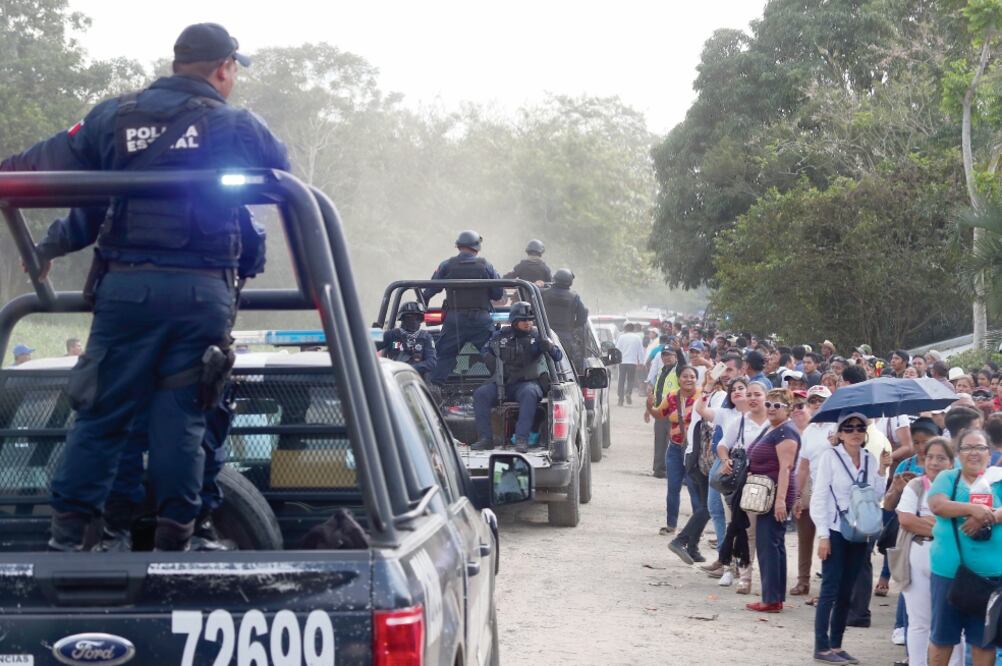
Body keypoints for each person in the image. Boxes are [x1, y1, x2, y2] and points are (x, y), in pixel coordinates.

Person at [1, 23, 288, 551]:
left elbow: (45, 164)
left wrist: (45, 241)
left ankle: (70, 538)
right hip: (202, 295)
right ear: (224, 69)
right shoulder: (235, 124)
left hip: (127, 290)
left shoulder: (114, 116)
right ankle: (177, 537)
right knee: (184, 418)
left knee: (102, 412)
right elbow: (281, 170)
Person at [811, 413, 890, 664]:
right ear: (840, 433)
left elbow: (875, 496)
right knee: (830, 589)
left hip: (859, 531)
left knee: (847, 590)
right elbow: (819, 496)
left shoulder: (868, 458)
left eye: (859, 427)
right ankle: (821, 646)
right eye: (849, 428)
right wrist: (823, 535)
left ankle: (836, 644)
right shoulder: (830, 457)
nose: (855, 432)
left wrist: (882, 469)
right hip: (835, 530)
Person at [927, 428, 1002, 666]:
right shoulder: (949, 478)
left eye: (980, 447)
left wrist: (988, 516)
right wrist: (972, 509)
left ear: (989, 453)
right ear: (958, 454)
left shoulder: (998, 480)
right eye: (967, 447)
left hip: (990, 578)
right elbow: (938, 505)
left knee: (984, 642)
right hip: (950, 574)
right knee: (942, 639)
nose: (974, 453)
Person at [894, 437, 962, 666]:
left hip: (951, 558)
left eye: (941, 458)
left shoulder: (959, 487)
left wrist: (926, 522)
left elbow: (964, 524)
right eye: (930, 457)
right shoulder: (915, 485)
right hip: (918, 554)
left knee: (952, 621)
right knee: (919, 622)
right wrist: (944, 526)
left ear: (951, 462)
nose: (934, 463)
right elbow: (906, 520)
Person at [472, 301, 561, 453]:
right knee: (481, 394)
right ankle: (485, 439)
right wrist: (490, 359)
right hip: (503, 383)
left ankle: (521, 439)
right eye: (523, 320)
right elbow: (485, 350)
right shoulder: (501, 336)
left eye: (530, 320)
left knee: (530, 393)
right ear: (514, 321)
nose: (528, 323)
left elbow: (558, 356)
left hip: (526, 383)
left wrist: (549, 347)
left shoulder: (538, 336)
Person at [744, 387, 800, 613]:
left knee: (769, 544)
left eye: (778, 405)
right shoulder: (774, 428)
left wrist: (780, 501)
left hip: (775, 494)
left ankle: (771, 599)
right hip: (767, 493)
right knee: (772, 544)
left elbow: (786, 468)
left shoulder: (786, 432)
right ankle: (774, 597)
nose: (771, 409)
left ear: (788, 409)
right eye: (769, 404)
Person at [424, 230, 503, 387]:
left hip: (454, 321)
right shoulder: (486, 266)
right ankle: (501, 386)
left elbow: (429, 291)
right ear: (477, 247)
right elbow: (497, 294)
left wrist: (422, 306)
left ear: (458, 246)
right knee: (493, 353)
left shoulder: (446, 265)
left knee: (444, 356)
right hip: (481, 321)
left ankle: (433, 391)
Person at [791, 384, 834, 598]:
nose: (817, 404)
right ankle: (803, 581)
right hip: (814, 488)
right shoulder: (809, 430)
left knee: (829, 539)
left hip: (835, 492)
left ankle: (828, 587)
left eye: (821, 400)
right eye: (813, 400)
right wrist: (797, 495)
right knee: (805, 535)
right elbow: (803, 467)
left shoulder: (838, 426)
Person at [655, 366, 700, 535]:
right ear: (679, 379)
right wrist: (649, 406)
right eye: (685, 376)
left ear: (697, 379)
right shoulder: (672, 396)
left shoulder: (703, 396)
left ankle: (697, 527)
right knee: (673, 488)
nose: (689, 379)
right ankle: (671, 525)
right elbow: (660, 413)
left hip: (693, 450)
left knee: (694, 489)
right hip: (674, 447)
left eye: (692, 376)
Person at [541, 268, 589, 373]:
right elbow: (583, 316)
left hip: (545, 334)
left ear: (555, 278)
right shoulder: (574, 296)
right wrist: (573, 326)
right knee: (567, 367)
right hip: (565, 338)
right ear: (570, 282)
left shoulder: (543, 293)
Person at [645, 346, 682, 478]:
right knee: (659, 442)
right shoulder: (662, 371)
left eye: (669, 355)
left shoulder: (678, 371)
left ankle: (672, 470)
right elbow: (657, 392)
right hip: (660, 412)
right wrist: (649, 409)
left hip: (674, 414)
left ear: (675, 357)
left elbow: (683, 366)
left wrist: (679, 351)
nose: (666, 358)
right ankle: (659, 469)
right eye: (664, 355)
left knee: (674, 443)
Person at [377, 301, 437, 378]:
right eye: (411, 317)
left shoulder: (426, 337)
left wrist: (410, 368)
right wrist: (374, 333)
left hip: (417, 379)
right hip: (395, 377)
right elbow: (370, 348)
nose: (415, 321)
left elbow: (431, 362)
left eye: (418, 318)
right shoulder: (391, 335)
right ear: (403, 318)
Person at [615, 323, 645, 406]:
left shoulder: (621, 337)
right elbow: (640, 351)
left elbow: (617, 349)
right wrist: (641, 362)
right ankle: (628, 392)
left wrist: (615, 361)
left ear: (625, 329)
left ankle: (620, 399)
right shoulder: (637, 338)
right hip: (632, 362)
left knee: (621, 380)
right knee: (630, 379)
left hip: (622, 362)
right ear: (633, 329)